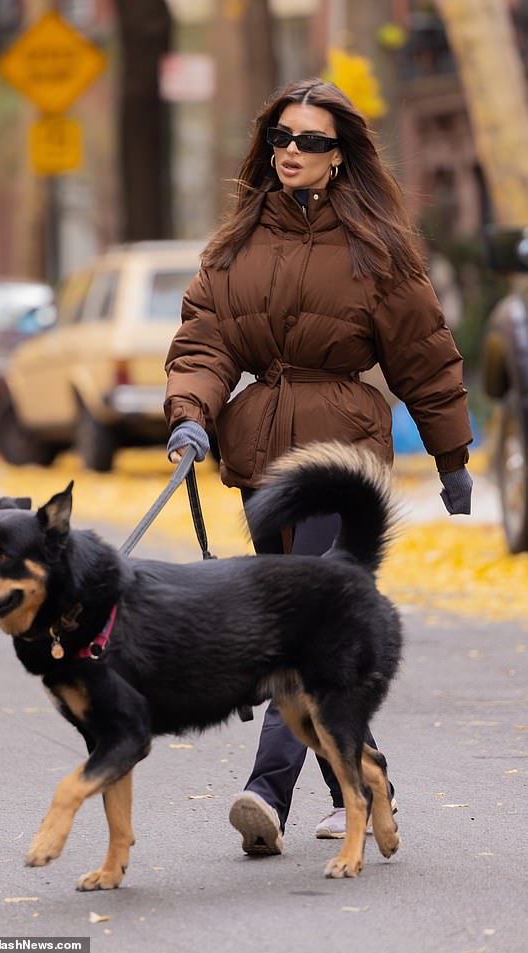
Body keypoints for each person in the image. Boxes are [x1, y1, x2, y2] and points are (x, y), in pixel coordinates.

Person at [163, 77, 473, 855]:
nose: (291, 152)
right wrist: (192, 416)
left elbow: (425, 358)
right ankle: (365, 784)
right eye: (282, 138)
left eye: (311, 141)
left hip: (341, 461)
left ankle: (267, 790)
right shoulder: (234, 246)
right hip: (261, 461)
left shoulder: (379, 251)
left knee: (295, 630)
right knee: (307, 635)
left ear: (341, 158)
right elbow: (204, 344)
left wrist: (452, 455)